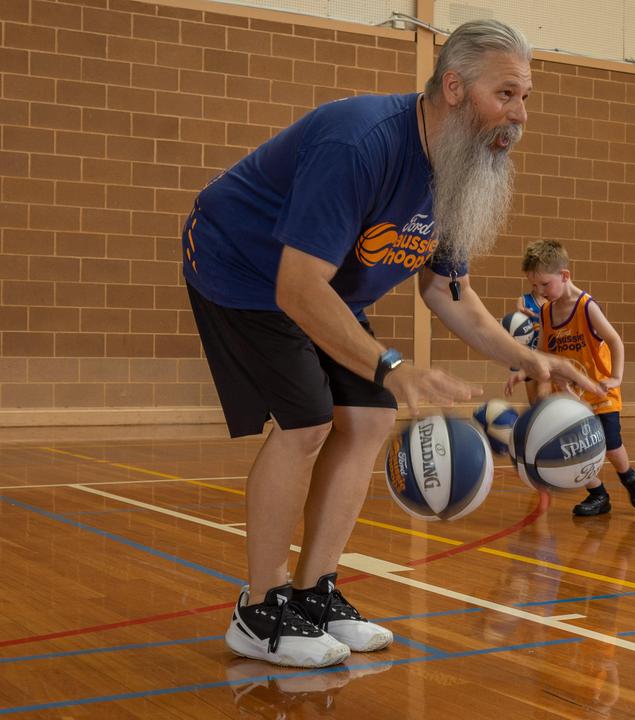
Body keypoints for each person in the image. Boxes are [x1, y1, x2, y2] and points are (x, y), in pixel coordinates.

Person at [181, 20, 599, 669]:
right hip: (244, 265)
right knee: (307, 422)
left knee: (371, 417)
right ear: (455, 87)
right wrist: (392, 365)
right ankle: (258, 610)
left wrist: (530, 358)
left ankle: (314, 593)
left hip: (323, 284)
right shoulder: (362, 143)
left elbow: (447, 291)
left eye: (526, 97)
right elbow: (296, 286)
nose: (520, 115)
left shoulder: (459, 168)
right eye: (507, 94)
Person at [505, 240, 635, 517]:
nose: (539, 292)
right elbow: (544, 353)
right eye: (534, 286)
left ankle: (629, 477)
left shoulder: (586, 306)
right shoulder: (546, 312)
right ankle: (598, 495)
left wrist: (616, 377)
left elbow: (615, 341)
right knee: (571, 448)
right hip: (569, 395)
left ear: (565, 276)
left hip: (598, 389)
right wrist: (524, 371)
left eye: (544, 284)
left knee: (610, 442)